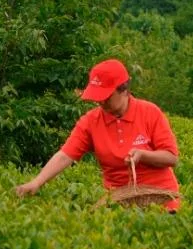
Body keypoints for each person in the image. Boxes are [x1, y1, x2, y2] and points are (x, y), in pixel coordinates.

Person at [15, 58, 181, 211]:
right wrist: (37, 182)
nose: (101, 102)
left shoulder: (149, 112)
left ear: (124, 90)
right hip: (119, 201)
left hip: (162, 198)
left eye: (106, 97)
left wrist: (143, 155)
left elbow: (171, 158)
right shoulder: (91, 121)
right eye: (98, 97)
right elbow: (65, 155)